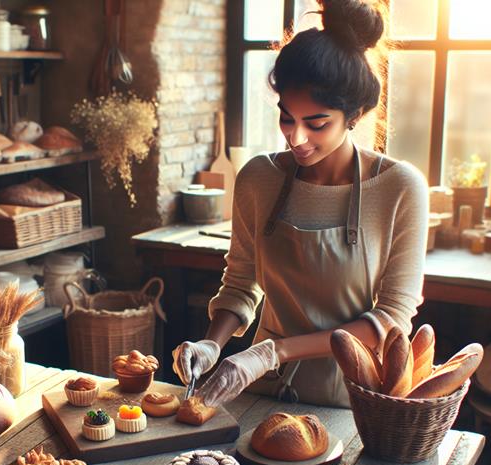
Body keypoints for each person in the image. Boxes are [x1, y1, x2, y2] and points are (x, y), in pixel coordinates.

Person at [173, 0, 429, 408]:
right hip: (257, 392)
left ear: (355, 115)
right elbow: (241, 282)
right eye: (287, 117)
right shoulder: (259, 178)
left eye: (317, 123)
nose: (296, 138)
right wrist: (211, 344)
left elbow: (392, 320)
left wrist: (274, 351)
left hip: (349, 400)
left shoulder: (399, 188)